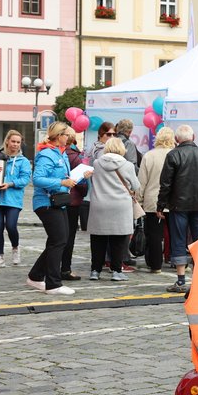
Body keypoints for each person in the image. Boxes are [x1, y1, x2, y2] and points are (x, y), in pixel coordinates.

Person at [157, 125, 198, 293]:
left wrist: (160, 205)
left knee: (178, 239)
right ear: (193, 137)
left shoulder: (173, 155)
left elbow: (166, 184)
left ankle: (181, 279)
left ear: (177, 139)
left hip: (178, 205)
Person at [29, 121, 83, 295]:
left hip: (58, 202)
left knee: (59, 240)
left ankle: (36, 276)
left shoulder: (61, 154)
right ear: (59, 136)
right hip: (46, 202)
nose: (68, 138)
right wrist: (61, 182)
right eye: (66, 135)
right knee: (59, 240)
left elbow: (66, 177)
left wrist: (80, 175)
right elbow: (37, 179)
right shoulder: (47, 154)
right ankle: (53, 283)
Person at [88, 137, 140, 281]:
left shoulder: (97, 163)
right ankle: (117, 271)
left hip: (100, 204)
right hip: (120, 206)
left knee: (98, 239)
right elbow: (136, 186)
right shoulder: (128, 165)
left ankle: (95, 271)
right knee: (119, 240)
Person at [0, 130, 32, 269]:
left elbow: (25, 179)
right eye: (13, 141)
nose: (15, 144)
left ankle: (15, 248)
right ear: (7, 141)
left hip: (13, 199)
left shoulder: (23, 161)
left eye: (18, 142)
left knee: (11, 226)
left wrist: (10, 184)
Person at [137, 126, 175, 273]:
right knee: (176, 233)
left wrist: (139, 200)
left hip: (152, 200)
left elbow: (142, 182)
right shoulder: (176, 154)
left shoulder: (149, 156)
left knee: (154, 235)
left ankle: (155, 265)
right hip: (173, 200)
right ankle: (178, 262)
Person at [61, 127, 87, 281]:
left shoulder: (63, 154)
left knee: (61, 235)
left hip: (63, 199)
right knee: (68, 236)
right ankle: (65, 268)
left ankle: (59, 267)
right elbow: (81, 183)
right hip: (72, 200)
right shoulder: (74, 157)